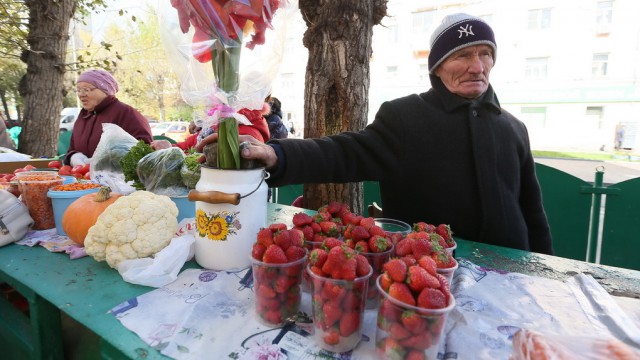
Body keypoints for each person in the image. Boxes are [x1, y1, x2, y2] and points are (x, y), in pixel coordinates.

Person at [213, 13, 553, 255]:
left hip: (513, 275)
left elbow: (533, 212)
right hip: (428, 274)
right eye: (463, 55)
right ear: (437, 67)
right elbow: (346, 153)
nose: (477, 66)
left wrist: (545, 271)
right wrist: (277, 154)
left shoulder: (514, 128)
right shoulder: (407, 117)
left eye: (485, 54)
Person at [64, 69, 152, 166]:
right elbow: (72, 149)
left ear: (105, 90)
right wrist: (74, 156)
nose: (81, 94)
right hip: (82, 179)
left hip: (116, 180)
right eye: (79, 90)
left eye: (86, 89)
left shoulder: (126, 113)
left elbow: (144, 150)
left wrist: (106, 162)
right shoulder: (83, 117)